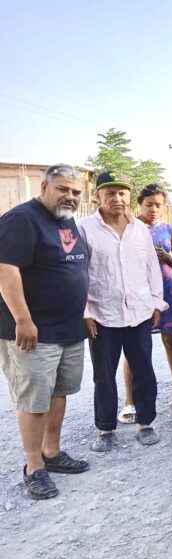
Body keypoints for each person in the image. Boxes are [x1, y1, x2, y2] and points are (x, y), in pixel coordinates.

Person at [0, 164, 90, 500]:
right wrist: (23, 319)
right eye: (63, 189)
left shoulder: (66, 221)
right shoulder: (22, 219)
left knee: (59, 393)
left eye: (76, 192)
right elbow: (5, 270)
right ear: (44, 187)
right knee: (34, 401)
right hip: (32, 331)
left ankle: (52, 453)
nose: (70, 196)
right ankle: (33, 466)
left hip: (67, 328)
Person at [78, 173, 168, 451]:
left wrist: (156, 302)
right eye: (110, 193)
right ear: (97, 196)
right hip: (103, 315)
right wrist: (85, 311)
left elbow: (152, 267)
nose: (117, 199)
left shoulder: (140, 229)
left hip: (139, 312)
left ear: (129, 196)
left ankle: (146, 423)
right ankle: (105, 429)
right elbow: (78, 273)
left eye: (122, 193)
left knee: (144, 370)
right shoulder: (84, 229)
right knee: (104, 374)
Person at [118, 184, 172, 425]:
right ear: (140, 204)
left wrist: (169, 258)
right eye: (149, 204)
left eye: (158, 205)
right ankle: (130, 401)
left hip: (169, 294)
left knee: (171, 342)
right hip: (138, 296)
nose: (154, 209)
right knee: (135, 347)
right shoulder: (129, 229)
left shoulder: (171, 230)